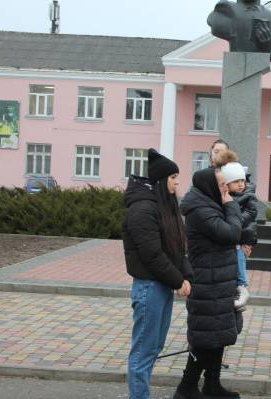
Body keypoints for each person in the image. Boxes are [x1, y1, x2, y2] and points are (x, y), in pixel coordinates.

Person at [122, 149, 192, 399]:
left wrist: (186, 276)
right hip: (149, 288)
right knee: (143, 351)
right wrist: (178, 280)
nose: (177, 182)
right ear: (162, 180)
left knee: (153, 347)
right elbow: (153, 255)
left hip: (161, 286)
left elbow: (175, 248)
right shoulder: (142, 210)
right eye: (173, 177)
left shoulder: (164, 207)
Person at [175, 167, 243, 399]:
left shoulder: (210, 203)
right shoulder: (200, 210)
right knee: (206, 337)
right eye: (222, 184)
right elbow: (231, 233)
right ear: (211, 187)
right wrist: (231, 205)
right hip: (207, 282)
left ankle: (212, 385)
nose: (226, 188)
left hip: (219, 280)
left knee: (218, 335)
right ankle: (186, 387)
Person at [220, 158, 258, 311]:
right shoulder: (223, 196)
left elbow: (252, 214)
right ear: (227, 184)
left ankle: (242, 286)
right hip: (229, 235)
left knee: (239, 255)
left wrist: (235, 221)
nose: (241, 184)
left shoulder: (248, 195)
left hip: (240, 235)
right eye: (237, 181)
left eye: (243, 180)